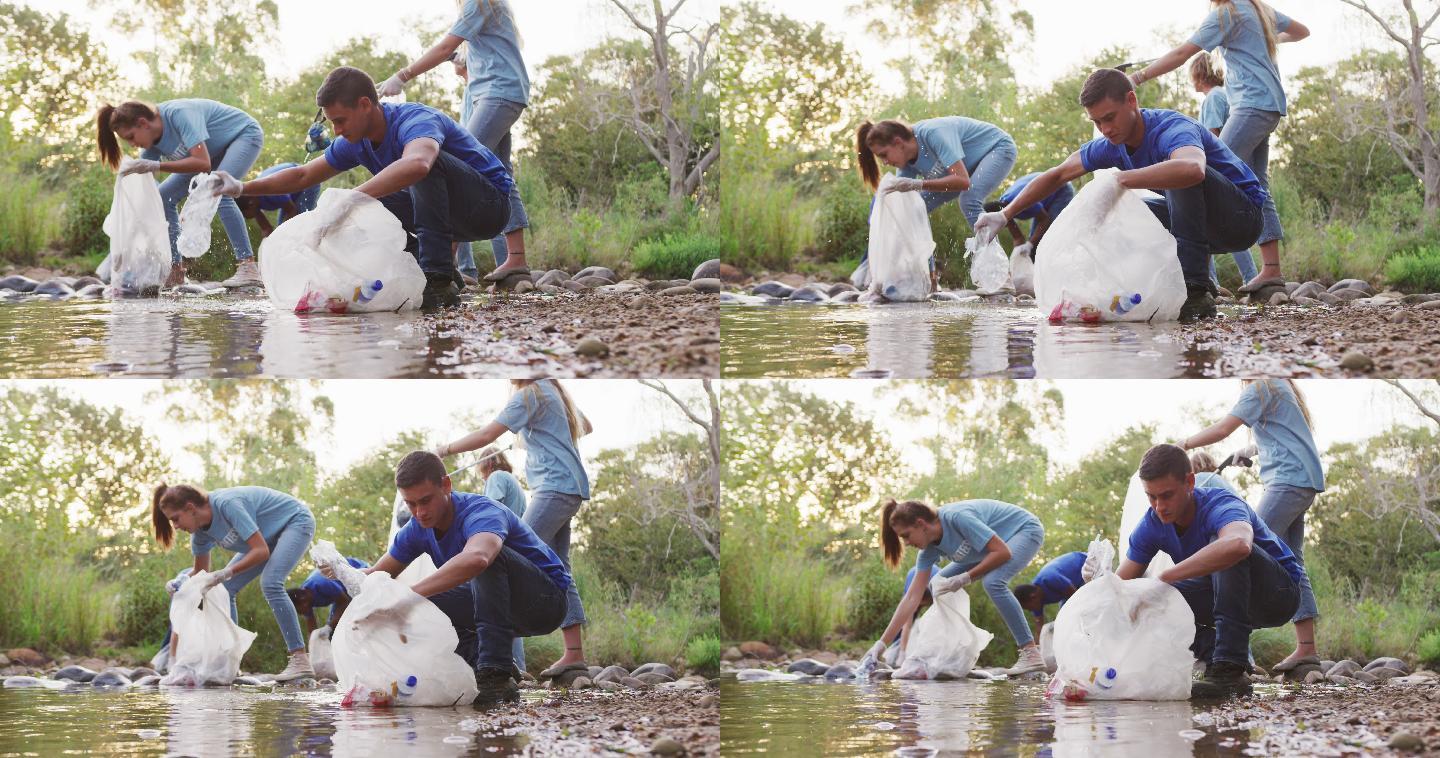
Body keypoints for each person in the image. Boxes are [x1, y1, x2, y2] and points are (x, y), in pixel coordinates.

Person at [975, 69, 1267, 322]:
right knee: (1121, 211)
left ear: (1131, 100)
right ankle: (1163, 284)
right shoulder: (1110, 143)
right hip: (1204, 228)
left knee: (1176, 176)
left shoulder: (1171, 128)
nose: (1105, 129)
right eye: (1097, 122)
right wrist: (1004, 214)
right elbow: (1058, 174)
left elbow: (1192, 169)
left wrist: (1122, 178)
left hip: (1242, 219)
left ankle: (1195, 290)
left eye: (1110, 118)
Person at [213, 66, 514, 309]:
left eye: (341, 120)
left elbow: (420, 163)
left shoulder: (415, 119)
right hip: (450, 215)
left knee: (399, 177)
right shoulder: (354, 143)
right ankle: (434, 270)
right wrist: (241, 187)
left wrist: (354, 197)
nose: (337, 131)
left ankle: (437, 281)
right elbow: (303, 175)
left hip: (489, 208)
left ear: (365, 105)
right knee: (368, 204)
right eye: (332, 123)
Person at [325, 451, 569, 704]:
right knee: (424, 601)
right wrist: (341, 569)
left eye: (426, 500)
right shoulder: (416, 529)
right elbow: (378, 575)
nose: (419, 513)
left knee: (478, 563)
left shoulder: (481, 511)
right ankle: (483, 663)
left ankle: (495, 673)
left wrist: (407, 599)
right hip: (501, 607)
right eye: (410, 504)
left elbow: (479, 557)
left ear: (446, 485)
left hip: (545, 602)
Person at [1127, 1, 1310, 295]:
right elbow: (1302, 32)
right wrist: (1267, 40)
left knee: (1204, 175)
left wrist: (1136, 77)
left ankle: (1199, 274)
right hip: (1269, 105)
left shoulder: (1228, 14)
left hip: (1250, 105)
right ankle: (1271, 270)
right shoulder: (1260, 10)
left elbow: (1182, 53)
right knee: (1255, 183)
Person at [1118, 443, 1306, 698]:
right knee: (1146, 600)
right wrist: (1097, 586)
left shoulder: (1220, 504)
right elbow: (1121, 585)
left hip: (1277, 595)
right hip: (1223, 595)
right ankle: (1215, 657)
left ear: (1190, 482)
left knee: (1223, 549)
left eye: (1167, 495)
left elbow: (1238, 545)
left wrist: (1163, 578)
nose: (1159, 506)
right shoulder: (1152, 524)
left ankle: (1230, 669)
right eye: (1151, 496)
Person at [435, 379, 591, 681]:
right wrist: (544, 434)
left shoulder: (529, 394)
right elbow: (587, 425)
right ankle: (574, 654)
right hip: (567, 488)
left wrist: (443, 450)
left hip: (552, 488)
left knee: (506, 557)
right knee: (558, 567)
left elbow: (487, 434)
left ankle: (498, 658)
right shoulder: (554, 390)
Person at [379, 0, 532, 283]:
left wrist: (403, 75)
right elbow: (469, 53)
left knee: (457, 165)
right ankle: (515, 260)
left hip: (497, 93)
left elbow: (444, 47)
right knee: (499, 172)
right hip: (498, 93)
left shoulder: (480, 2)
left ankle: (442, 262)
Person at [1177, 379, 1324, 674]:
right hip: (1303, 481)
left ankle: (1237, 654)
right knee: (1292, 560)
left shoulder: (1261, 386)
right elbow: (1286, 437)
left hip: (1286, 481)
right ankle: (1306, 649)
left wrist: (1183, 445)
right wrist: (1251, 450)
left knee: (1238, 551)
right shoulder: (1280, 385)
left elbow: (1222, 429)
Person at [150, 483, 316, 681]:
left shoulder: (227, 504)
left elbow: (260, 551)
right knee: (225, 589)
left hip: (294, 521)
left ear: (190, 508)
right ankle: (231, 663)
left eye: (175, 519)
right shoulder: (199, 534)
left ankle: (300, 660)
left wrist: (226, 572)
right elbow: (200, 573)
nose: (175, 526)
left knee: (271, 583)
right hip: (266, 538)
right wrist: (181, 582)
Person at [865, 498, 1047, 675]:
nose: (906, 543)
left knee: (993, 582)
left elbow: (1002, 552)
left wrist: (965, 578)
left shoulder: (957, 518)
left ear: (921, 524)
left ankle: (1030, 652)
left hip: (1023, 531)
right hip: (989, 548)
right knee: (938, 583)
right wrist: (881, 644)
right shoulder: (928, 550)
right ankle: (949, 653)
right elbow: (912, 597)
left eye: (906, 535)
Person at [96, 99, 265, 289]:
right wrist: (120, 251)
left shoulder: (180, 115)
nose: (133, 144)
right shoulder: (151, 144)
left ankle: (248, 267)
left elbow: (202, 163)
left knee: (219, 190)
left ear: (143, 123)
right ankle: (176, 271)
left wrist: (157, 165)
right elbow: (146, 198)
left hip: (243, 136)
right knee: (163, 197)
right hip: (211, 153)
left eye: (131, 137)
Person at [856, 117, 1018, 289]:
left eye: (883, 155)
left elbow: (962, 181)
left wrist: (918, 184)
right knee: (913, 210)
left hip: (997, 149)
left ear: (898, 142)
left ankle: (1001, 278)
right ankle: (930, 280)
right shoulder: (907, 164)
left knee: (969, 200)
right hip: (962, 171)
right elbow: (904, 211)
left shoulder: (933, 133)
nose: (885, 162)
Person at [1187, 52, 1261, 290]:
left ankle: (1212, 282)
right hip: (1237, 173)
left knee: (1205, 224)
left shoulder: (1213, 98)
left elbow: (1213, 137)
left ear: (1199, 75)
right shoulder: (1226, 96)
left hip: (1220, 174)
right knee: (1226, 227)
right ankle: (1245, 278)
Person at [478, 445, 528, 672]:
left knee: (497, 610)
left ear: (486, 463)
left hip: (500, 549)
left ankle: (509, 665)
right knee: (510, 611)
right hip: (517, 550)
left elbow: (488, 509)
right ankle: (519, 667)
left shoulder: (497, 477)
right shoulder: (514, 482)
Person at [982, 173, 1075, 260]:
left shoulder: (1021, 201)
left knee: (1048, 236)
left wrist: (1030, 245)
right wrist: (1015, 260)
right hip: (1044, 198)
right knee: (1034, 244)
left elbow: (1045, 220)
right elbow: (1018, 238)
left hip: (1061, 189)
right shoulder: (1004, 210)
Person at [287, 555, 370, 636]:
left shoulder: (321, 584)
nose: (300, 614)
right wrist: (314, 643)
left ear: (302, 599)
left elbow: (344, 602)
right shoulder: (304, 602)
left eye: (298, 611)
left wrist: (329, 627)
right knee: (333, 630)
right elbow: (312, 628)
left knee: (355, 620)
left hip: (360, 574)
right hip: (343, 593)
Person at [1012, 550, 1086, 640]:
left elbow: (1076, 596)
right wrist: (1037, 648)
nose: (1031, 610)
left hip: (1084, 565)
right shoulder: (1036, 602)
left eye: (1028, 608)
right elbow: (1039, 626)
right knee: (1063, 620)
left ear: (1033, 597)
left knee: (1074, 614)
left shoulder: (1049, 578)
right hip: (1073, 587)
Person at [235, 163, 321, 239]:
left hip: (308, 181)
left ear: (250, 204)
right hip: (291, 191)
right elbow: (266, 229)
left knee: (298, 224)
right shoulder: (253, 202)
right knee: (281, 229)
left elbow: (292, 211)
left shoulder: (268, 192)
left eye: (243, 214)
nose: (245, 218)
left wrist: (280, 235)